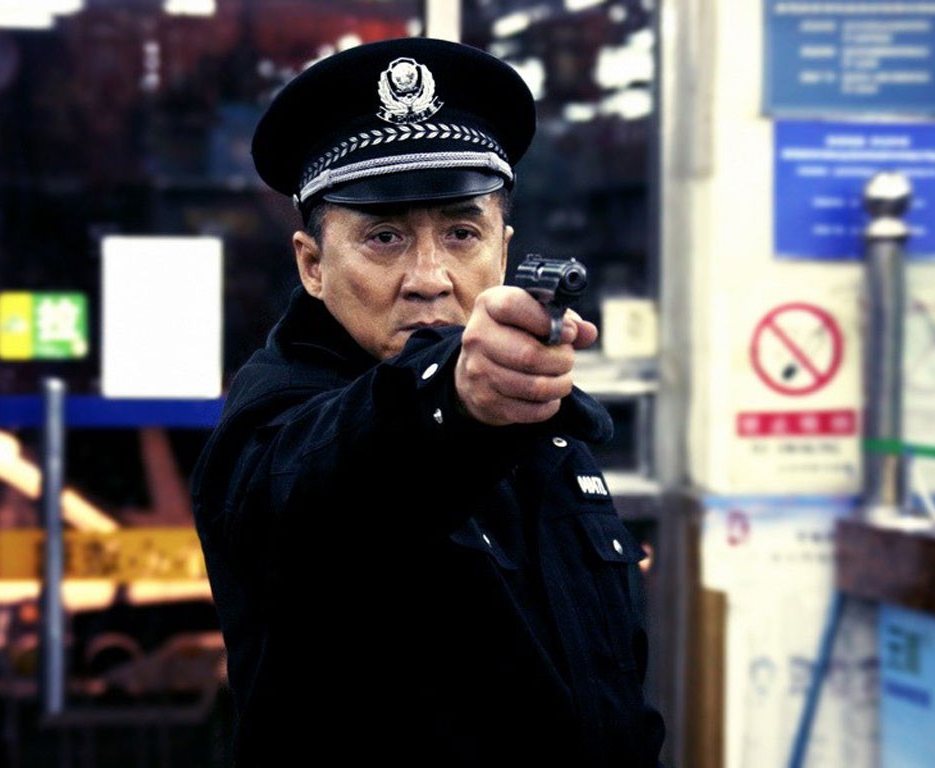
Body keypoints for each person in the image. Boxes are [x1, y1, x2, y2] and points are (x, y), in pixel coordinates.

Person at [190, 36, 665, 766]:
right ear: (312, 265)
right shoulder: (277, 420)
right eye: (384, 237)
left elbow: (610, 695)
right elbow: (333, 471)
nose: (430, 277)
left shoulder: (538, 421)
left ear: (502, 251)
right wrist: (455, 396)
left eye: (461, 233)